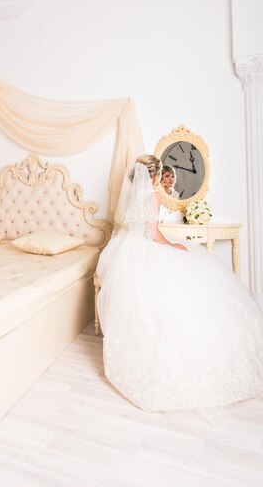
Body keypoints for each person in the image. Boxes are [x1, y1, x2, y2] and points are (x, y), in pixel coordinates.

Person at [96, 154, 263, 412]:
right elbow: (153, 234)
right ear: (156, 175)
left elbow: (138, 229)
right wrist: (172, 244)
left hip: (126, 249)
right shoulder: (154, 195)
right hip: (147, 247)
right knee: (186, 277)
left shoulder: (131, 196)